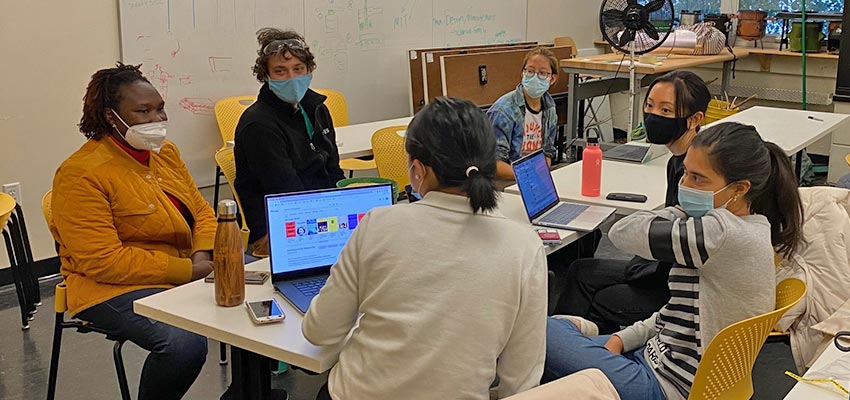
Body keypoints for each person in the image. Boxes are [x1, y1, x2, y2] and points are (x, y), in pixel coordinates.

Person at [302, 97, 548, 400]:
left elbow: (319, 332)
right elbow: (521, 382)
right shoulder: (525, 245)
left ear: (418, 170)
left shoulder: (378, 224)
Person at [544, 122, 803, 400]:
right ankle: (580, 332)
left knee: (535, 329)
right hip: (658, 361)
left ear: (739, 189)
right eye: (685, 173)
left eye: (697, 178)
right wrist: (623, 338)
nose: (684, 184)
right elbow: (676, 313)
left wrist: (682, 210)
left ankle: (579, 330)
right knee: (548, 340)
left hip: (663, 386)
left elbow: (622, 231)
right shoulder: (752, 226)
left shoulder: (720, 232)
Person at [49, 63, 216, 400]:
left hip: (184, 267)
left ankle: (248, 389)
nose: (157, 119)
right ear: (112, 117)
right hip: (108, 288)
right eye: (143, 111)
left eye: (159, 108)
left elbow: (201, 212)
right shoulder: (80, 174)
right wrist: (189, 271)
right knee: (183, 344)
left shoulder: (164, 152)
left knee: (265, 289)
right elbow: (103, 261)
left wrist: (203, 256)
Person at [556, 71, 711, 332]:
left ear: (695, 119)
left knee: (600, 297)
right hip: (660, 268)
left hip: (679, 288)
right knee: (580, 271)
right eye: (649, 106)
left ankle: (585, 350)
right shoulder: (677, 159)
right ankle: (560, 342)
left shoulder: (696, 171)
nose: (653, 116)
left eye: (665, 110)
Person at [235, 28, 344, 257]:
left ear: (309, 70)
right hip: (281, 225)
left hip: (322, 214)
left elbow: (333, 170)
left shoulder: (317, 109)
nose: (292, 78)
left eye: (298, 69)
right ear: (266, 75)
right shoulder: (258, 124)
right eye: (280, 71)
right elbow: (286, 190)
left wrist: (345, 213)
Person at [487, 46, 559, 182]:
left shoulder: (550, 109)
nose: (535, 77)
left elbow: (548, 152)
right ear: (522, 74)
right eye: (530, 71)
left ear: (552, 79)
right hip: (506, 180)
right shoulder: (504, 110)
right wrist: (528, 177)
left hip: (533, 178)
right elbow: (494, 164)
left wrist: (540, 174)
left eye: (543, 73)